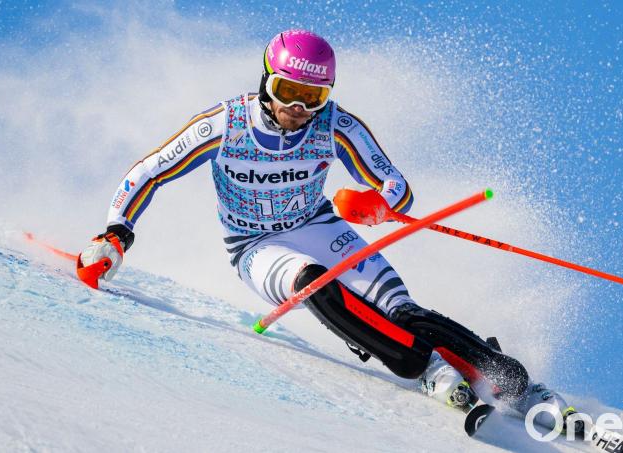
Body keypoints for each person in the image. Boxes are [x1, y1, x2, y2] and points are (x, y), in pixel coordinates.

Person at [80, 29, 576, 431]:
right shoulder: (224, 125)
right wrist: (115, 234)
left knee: (402, 310)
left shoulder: (335, 125)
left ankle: (515, 383)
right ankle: (423, 368)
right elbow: (149, 173)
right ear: (266, 81)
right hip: (255, 245)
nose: (299, 108)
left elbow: (397, 186)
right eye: (288, 92)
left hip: (318, 225)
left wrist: (378, 204)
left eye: (312, 97)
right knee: (313, 282)